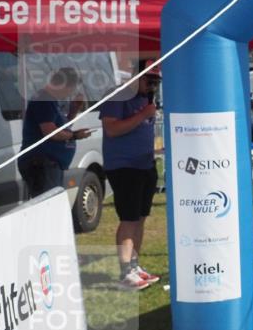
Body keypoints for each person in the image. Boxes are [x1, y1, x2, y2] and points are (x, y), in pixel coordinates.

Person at [99, 62, 161, 290]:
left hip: (145, 164)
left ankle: (135, 265)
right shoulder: (117, 96)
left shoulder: (146, 100)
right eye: (149, 80)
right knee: (129, 218)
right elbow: (112, 129)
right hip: (124, 167)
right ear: (135, 77)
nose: (152, 86)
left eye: (156, 82)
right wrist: (143, 114)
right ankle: (125, 271)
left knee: (141, 217)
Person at [19, 67, 93, 198]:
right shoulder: (44, 100)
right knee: (47, 206)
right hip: (42, 164)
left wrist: (73, 110)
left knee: (51, 204)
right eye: (72, 88)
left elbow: (62, 129)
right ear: (64, 84)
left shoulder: (51, 101)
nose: (72, 93)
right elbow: (50, 132)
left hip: (49, 165)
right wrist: (75, 135)